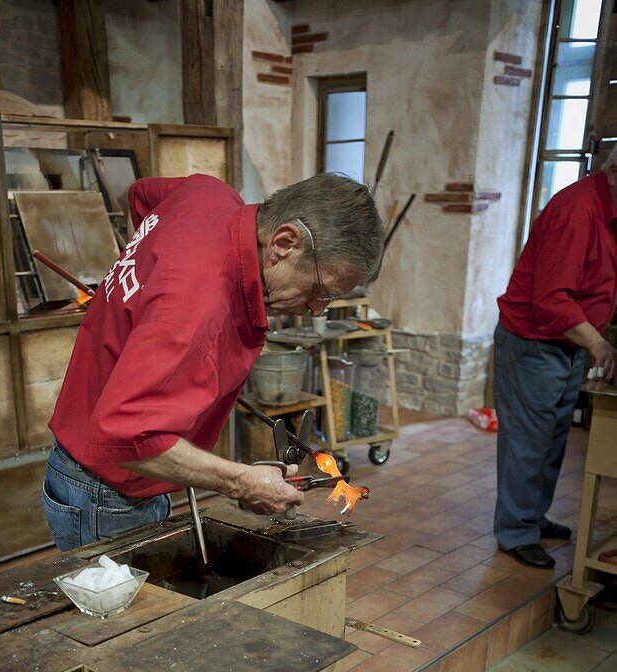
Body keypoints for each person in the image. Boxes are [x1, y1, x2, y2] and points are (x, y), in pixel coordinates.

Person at [43, 173, 383, 550]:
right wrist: (240, 480)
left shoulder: (209, 195)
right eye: (321, 290)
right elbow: (124, 436)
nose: (318, 310)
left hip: (98, 467)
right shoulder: (194, 311)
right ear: (284, 243)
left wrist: (142, 295)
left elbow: (140, 196)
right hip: (104, 493)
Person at [493, 151, 617, 568]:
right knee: (528, 442)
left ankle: (532, 517)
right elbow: (550, 300)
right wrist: (599, 344)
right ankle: (515, 532)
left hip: (566, 343)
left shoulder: (609, 209)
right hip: (532, 342)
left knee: (552, 440)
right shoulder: (577, 211)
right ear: (614, 172)